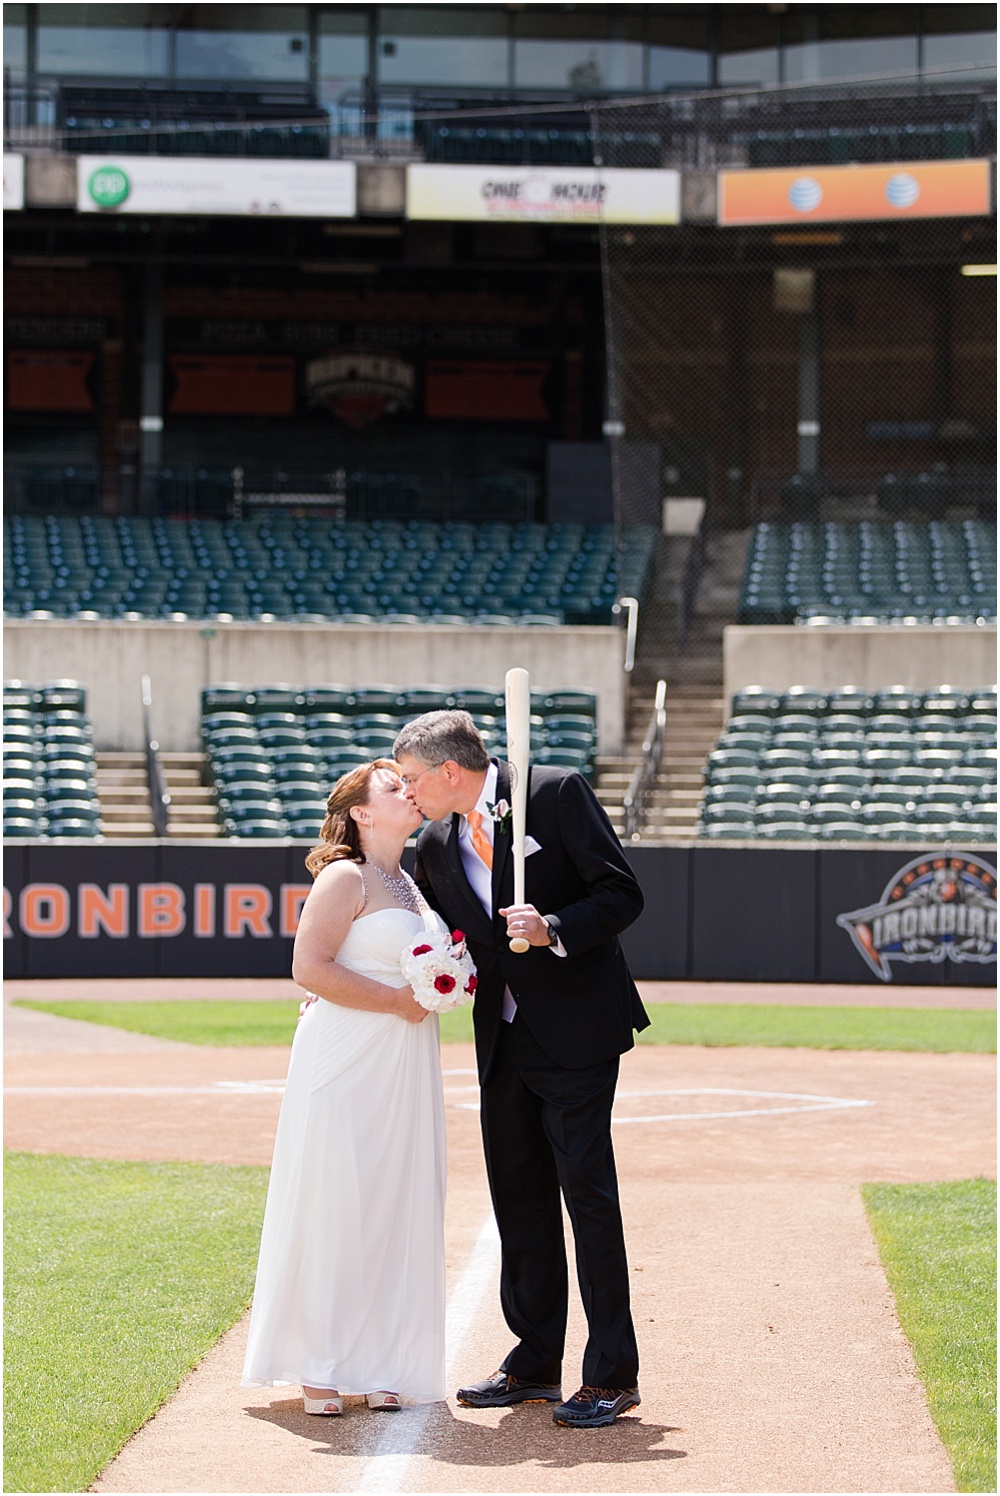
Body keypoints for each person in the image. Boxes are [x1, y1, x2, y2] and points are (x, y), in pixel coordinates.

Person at [393, 710, 649, 1430]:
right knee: (519, 1198)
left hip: (576, 1034)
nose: (408, 793)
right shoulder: (436, 842)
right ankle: (535, 1361)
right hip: (501, 1041)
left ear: (450, 771)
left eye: (413, 779)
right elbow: (451, 938)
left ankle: (611, 1374)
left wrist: (554, 928)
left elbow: (622, 893)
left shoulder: (557, 792)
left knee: (587, 1199)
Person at [241, 759, 448, 1415]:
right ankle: (320, 1363)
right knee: (339, 1197)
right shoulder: (344, 876)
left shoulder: (412, 887)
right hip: (347, 1055)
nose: (408, 792)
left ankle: (381, 1359)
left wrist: (441, 986)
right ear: (360, 812)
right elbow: (308, 966)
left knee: (393, 1199)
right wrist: (395, 1001)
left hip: (405, 1059)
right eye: (393, 787)